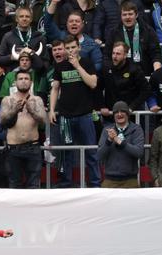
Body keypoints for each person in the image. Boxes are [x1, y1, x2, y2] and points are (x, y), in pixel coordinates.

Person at [49, 35, 100, 188]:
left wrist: (78, 66)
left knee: (91, 151)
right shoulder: (59, 66)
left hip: (85, 114)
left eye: (73, 47)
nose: (70, 50)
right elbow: (55, 88)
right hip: (65, 116)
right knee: (67, 153)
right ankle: (66, 184)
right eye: (68, 48)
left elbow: (93, 84)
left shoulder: (87, 62)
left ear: (79, 47)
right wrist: (52, 109)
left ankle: (95, 184)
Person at [0, 70, 47, 188]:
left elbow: (43, 120)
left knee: (33, 185)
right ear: (15, 82)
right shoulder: (7, 99)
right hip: (13, 148)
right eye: (20, 79)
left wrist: (32, 110)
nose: (23, 81)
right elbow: (2, 121)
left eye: (26, 79)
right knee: (14, 184)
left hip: (32, 146)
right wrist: (14, 110)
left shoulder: (37, 100)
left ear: (31, 82)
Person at [104, 1, 162, 76]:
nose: (127, 17)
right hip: (120, 76)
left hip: (144, 75)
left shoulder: (148, 31)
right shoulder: (113, 33)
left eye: (130, 14)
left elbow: (156, 54)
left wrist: (157, 73)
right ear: (121, 16)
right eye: (124, 15)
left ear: (136, 15)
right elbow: (107, 56)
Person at [44, 1, 103, 72]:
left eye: (77, 21)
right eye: (71, 21)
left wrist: (80, 72)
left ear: (82, 24)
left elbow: (98, 65)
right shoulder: (60, 36)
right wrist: (53, 2)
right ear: (66, 24)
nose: (74, 23)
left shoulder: (91, 43)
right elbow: (48, 23)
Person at [97, 101, 144, 188]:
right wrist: (109, 141)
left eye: (123, 111)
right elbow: (99, 156)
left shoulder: (136, 129)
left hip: (130, 181)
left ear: (128, 114)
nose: (119, 114)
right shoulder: (106, 130)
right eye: (116, 112)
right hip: (109, 181)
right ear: (113, 115)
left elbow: (139, 153)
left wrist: (121, 142)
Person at [101, 42, 151, 117]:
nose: (114, 56)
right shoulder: (106, 68)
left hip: (131, 115)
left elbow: (146, 90)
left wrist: (132, 107)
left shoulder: (134, 69)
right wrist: (102, 106)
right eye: (113, 53)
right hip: (111, 114)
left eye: (118, 54)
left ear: (125, 55)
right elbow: (98, 88)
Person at [0, 5, 49, 73]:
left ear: (31, 19)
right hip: (13, 76)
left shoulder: (39, 37)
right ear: (16, 19)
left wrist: (32, 54)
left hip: (34, 76)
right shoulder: (8, 36)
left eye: (27, 16)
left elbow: (46, 63)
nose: (24, 19)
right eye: (21, 16)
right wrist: (12, 57)